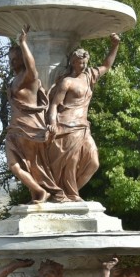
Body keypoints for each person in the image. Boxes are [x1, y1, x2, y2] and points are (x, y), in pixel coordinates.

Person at [43, 34, 121, 202]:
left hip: (83, 127)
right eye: (80, 62)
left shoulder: (89, 76)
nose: (84, 65)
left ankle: (67, 193)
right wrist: (52, 123)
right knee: (71, 162)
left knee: (93, 162)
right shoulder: (67, 82)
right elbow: (54, 105)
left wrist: (115, 46)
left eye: (85, 62)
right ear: (73, 62)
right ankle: (70, 195)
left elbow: (106, 65)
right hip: (67, 125)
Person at [5, 27, 55, 203]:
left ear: (23, 59)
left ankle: (42, 192)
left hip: (28, 129)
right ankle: (39, 191)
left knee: (32, 165)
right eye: (10, 60)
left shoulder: (29, 79)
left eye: (15, 59)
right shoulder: (13, 81)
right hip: (14, 129)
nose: (12, 63)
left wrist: (23, 43)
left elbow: (32, 66)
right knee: (14, 166)